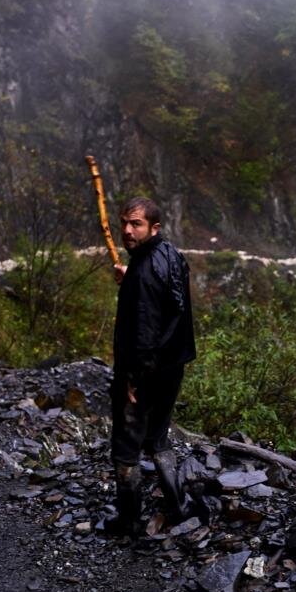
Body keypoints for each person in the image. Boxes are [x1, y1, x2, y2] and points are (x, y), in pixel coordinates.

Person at [105, 196, 197, 537]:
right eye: (124, 224)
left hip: (145, 371)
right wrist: (130, 276)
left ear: (153, 227)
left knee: (126, 446)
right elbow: (169, 299)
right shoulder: (170, 255)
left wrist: (131, 380)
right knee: (158, 436)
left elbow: (143, 333)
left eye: (136, 224)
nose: (127, 231)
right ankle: (177, 505)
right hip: (172, 368)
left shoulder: (143, 274)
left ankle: (128, 520)